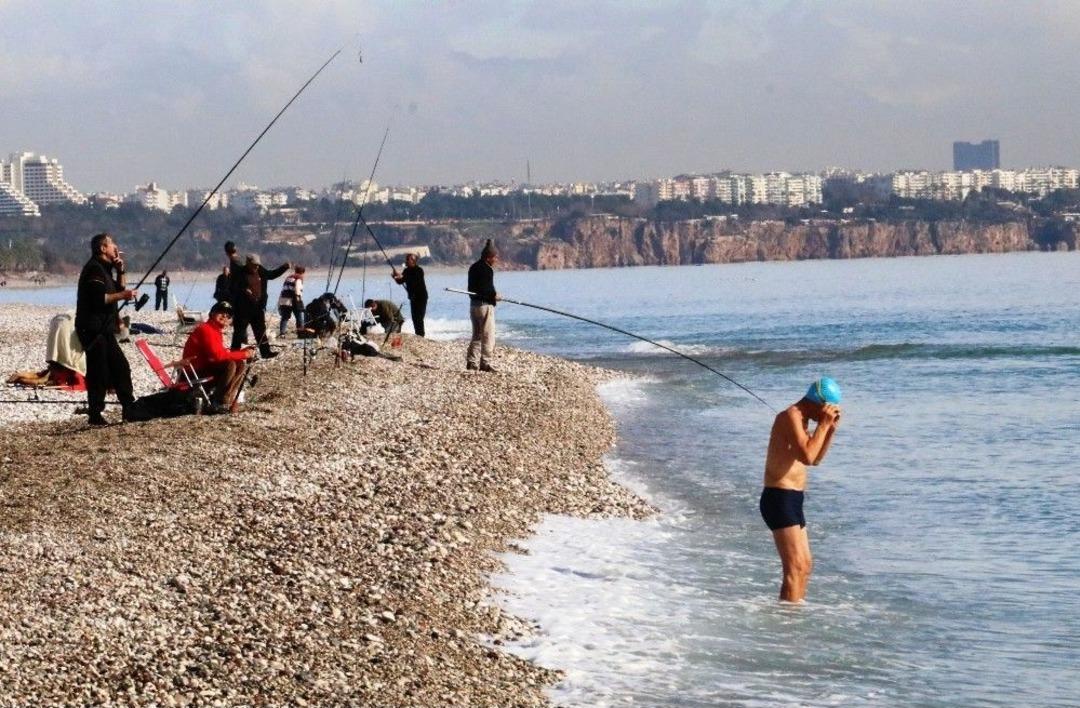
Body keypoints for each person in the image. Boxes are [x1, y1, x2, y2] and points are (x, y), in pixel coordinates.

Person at [760, 377, 843, 603]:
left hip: (794, 499)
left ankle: (793, 617)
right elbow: (806, 456)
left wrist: (830, 430)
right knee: (794, 567)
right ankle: (786, 622)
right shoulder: (791, 416)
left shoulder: (805, 421)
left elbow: (815, 460)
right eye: (829, 409)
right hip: (779, 497)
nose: (829, 414)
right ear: (817, 403)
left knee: (805, 566)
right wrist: (823, 425)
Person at [74, 232, 139, 425]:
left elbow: (118, 290)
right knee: (98, 371)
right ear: (103, 248)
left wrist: (121, 271)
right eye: (112, 244)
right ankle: (95, 414)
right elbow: (99, 298)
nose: (116, 247)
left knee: (120, 366)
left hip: (105, 328)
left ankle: (129, 407)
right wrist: (124, 295)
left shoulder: (105, 269)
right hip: (92, 328)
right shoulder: (94, 269)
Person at [181, 300, 253, 413]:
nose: (225, 316)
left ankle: (227, 398)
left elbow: (219, 353)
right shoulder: (206, 329)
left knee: (239, 364)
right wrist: (243, 354)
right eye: (221, 312)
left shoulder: (214, 330)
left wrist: (241, 354)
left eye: (228, 315)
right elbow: (218, 356)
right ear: (212, 314)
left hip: (203, 367)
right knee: (230, 365)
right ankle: (219, 401)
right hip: (193, 372)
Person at [231, 252, 289, 358]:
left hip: (258, 307)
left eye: (258, 264)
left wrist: (284, 268)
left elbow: (271, 275)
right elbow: (233, 287)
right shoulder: (240, 273)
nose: (256, 267)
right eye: (254, 265)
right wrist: (244, 290)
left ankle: (265, 352)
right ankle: (234, 353)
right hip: (243, 309)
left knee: (260, 331)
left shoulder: (261, 270)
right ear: (248, 263)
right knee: (239, 332)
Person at [466, 239, 500, 372]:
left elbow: (474, 288)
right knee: (488, 335)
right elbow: (486, 289)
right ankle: (485, 363)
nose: (496, 260)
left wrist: (491, 294)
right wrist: (495, 296)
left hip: (473, 306)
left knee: (477, 336)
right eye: (495, 257)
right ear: (488, 257)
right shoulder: (487, 270)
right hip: (484, 307)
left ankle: (471, 362)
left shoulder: (473, 267)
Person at [392, 253, 428, 337]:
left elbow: (415, 281)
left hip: (421, 297)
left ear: (413, 261)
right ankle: (417, 334)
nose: (406, 261)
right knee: (414, 317)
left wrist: (400, 276)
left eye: (408, 259)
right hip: (413, 297)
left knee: (419, 317)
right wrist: (395, 276)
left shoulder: (419, 270)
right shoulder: (406, 270)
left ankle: (421, 335)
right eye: (406, 259)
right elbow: (401, 281)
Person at [277, 265, 306, 336]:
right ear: (302, 272)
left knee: (285, 317)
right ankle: (300, 333)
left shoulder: (288, 277)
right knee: (299, 316)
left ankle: (282, 333)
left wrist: (279, 302)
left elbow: (283, 289)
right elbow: (297, 288)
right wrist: (298, 298)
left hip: (284, 299)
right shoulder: (299, 277)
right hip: (294, 299)